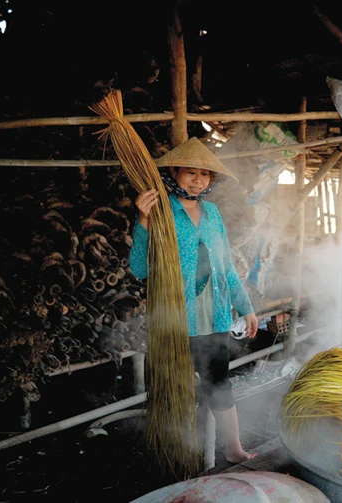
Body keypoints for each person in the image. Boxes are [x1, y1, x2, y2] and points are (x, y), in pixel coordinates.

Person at [129, 137, 259, 464]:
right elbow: (140, 269)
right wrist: (143, 223)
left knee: (219, 383)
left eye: (205, 174)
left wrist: (246, 308)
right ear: (175, 171)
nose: (199, 179)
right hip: (175, 318)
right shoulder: (160, 211)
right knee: (177, 387)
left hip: (213, 316)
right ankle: (178, 452)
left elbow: (226, 265)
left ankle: (233, 448)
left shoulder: (212, 213)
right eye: (191, 172)